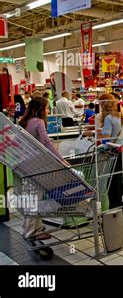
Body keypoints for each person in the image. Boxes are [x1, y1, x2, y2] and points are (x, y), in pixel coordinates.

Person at [18, 97, 63, 241]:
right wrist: (61, 160)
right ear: (40, 109)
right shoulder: (38, 122)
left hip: (26, 163)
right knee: (34, 199)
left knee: (31, 198)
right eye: (47, 108)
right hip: (36, 165)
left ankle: (33, 229)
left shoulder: (25, 122)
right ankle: (30, 233)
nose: (48, 111)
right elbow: (46, 142)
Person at [95, 94, 123, 209]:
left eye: (100, 104)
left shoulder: (108, 118)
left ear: (104, 104)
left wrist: (96, 134)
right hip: (122, 151)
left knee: (114, 186)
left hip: (114, 153)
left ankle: (115, 211)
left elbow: (106, 139)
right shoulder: (120, 115)